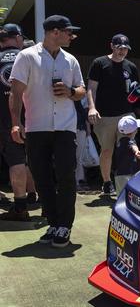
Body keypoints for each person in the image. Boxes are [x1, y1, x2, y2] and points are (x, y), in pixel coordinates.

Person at [9, 15, 86, 247]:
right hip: (36, 127)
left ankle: (65, 225)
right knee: (42, 178)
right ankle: (53, 223)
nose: (72, 36)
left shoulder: (70, 60)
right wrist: (16, 122)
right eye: (68, 32)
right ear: (54, 32)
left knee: (65, 176)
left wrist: (71, 91)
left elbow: (81, 90)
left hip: (65, 127)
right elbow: (15, 92)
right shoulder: (26, 56)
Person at [87, 34, 139, 196]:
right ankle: (107, 182)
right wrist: (92, 108)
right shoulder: (99, 63)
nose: (122, 51)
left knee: (127, 149)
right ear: (112, 46)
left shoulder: (131, 67)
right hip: (105, 115)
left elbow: (134, 89)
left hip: (126, 113)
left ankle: (126, 185)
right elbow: (91, 88)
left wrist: (137, 93)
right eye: (119, 48)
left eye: (125, 49)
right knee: (107, 150)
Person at [0, 23, 37, 221]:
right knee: (34, 160)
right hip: (34, 117)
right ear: (18, 37)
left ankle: (20, 206)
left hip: (5, 119)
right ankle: (37, 200)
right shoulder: (29, 57)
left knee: (16, 160)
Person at [114, 116, 140, 195]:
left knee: (121, 195)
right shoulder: (130, 141)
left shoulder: (119, 141)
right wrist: (137, 151)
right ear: (135, 131)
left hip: (119, 174)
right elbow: (132, 145)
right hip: (128, 174)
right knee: (129, 195)